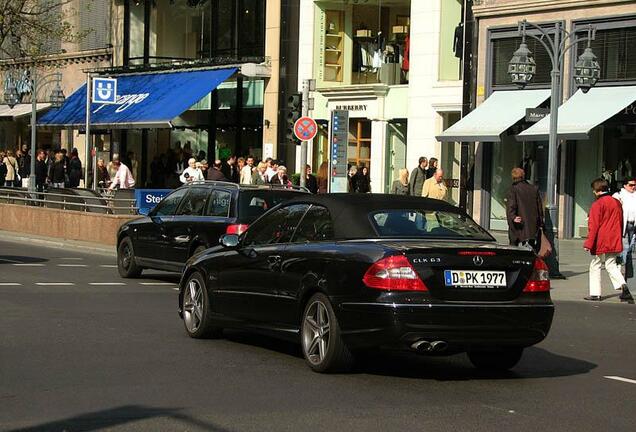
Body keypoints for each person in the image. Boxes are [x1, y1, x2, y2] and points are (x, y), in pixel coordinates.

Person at [583, 178, 633, 302]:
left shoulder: (597, 205)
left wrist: (588, 243)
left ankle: (595, 293)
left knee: (595, 264)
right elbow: (620, 221)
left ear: (597, 190)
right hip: (614, 238)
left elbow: (593, 226)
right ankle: (623, 285)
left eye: (594, 190)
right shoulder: (616, 202)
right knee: (611, 264)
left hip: (601, 239)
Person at [505, 167, 544, 251]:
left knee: (514, 247)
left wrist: (513, 217)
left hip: (519, 225)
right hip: (532, 225)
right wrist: (541, 223)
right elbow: (539, 208)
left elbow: (511, 206)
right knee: (532, 247)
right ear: (523, 176)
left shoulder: (513, 189)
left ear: (513, 177)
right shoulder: (534, 188)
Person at [613, 177, 636, 280]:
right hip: (623, 225)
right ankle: (622, 274)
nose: (633, 187)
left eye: (635, 185)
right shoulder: (619, 196)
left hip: (633, 225)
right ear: (625, 186)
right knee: (625, 249)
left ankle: (628, 275)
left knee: (630, 249)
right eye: (631, 185)